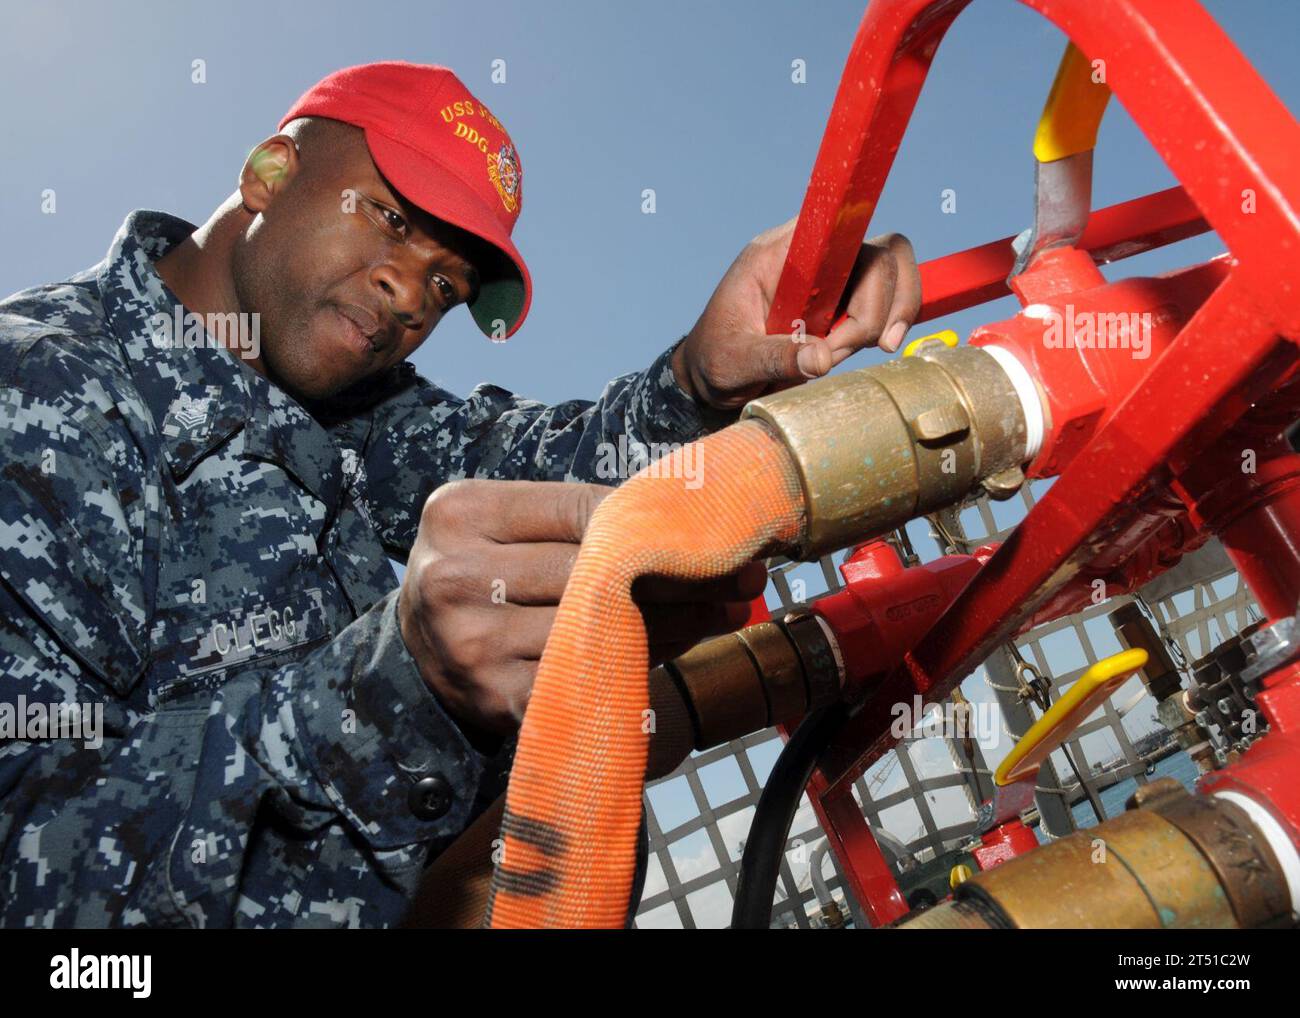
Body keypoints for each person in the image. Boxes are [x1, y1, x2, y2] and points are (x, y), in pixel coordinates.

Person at [0, 61, 920, 927]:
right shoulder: (39, 394)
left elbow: (548, 469)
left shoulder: (353, 404)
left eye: (446, 284)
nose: (411, 295)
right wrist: (399, 692)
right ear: (270, 171)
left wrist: (696, 381)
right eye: (391, 221)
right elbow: (30, 868)